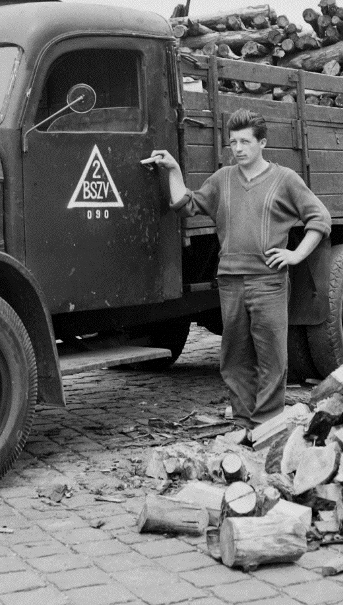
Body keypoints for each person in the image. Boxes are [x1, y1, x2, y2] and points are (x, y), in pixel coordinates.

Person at [141, 108, 331, 431]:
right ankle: (244, 424)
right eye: (233, 142)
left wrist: (296, 255)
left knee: (272, 357)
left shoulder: (284, 179)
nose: (238, 148)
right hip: (230, 282)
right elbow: (186, 205)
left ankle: (267, 424)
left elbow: (320, 219)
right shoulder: (222, 179)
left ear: (262, 143)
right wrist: (173, 169)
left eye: (245, 141)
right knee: (234, 357)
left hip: (269, 281)